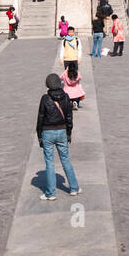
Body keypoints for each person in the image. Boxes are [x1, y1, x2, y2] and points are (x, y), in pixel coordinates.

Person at [36, 73, 81, 201]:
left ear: (48, 84)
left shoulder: (45, 98)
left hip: (47, 132)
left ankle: (51, 193)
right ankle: (74, 188)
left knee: (49, 163)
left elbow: (40, 118)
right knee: (65, 159)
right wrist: (69, 132)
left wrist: (39, 135)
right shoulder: (66, 97)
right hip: (62, 131)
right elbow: (69, 117)